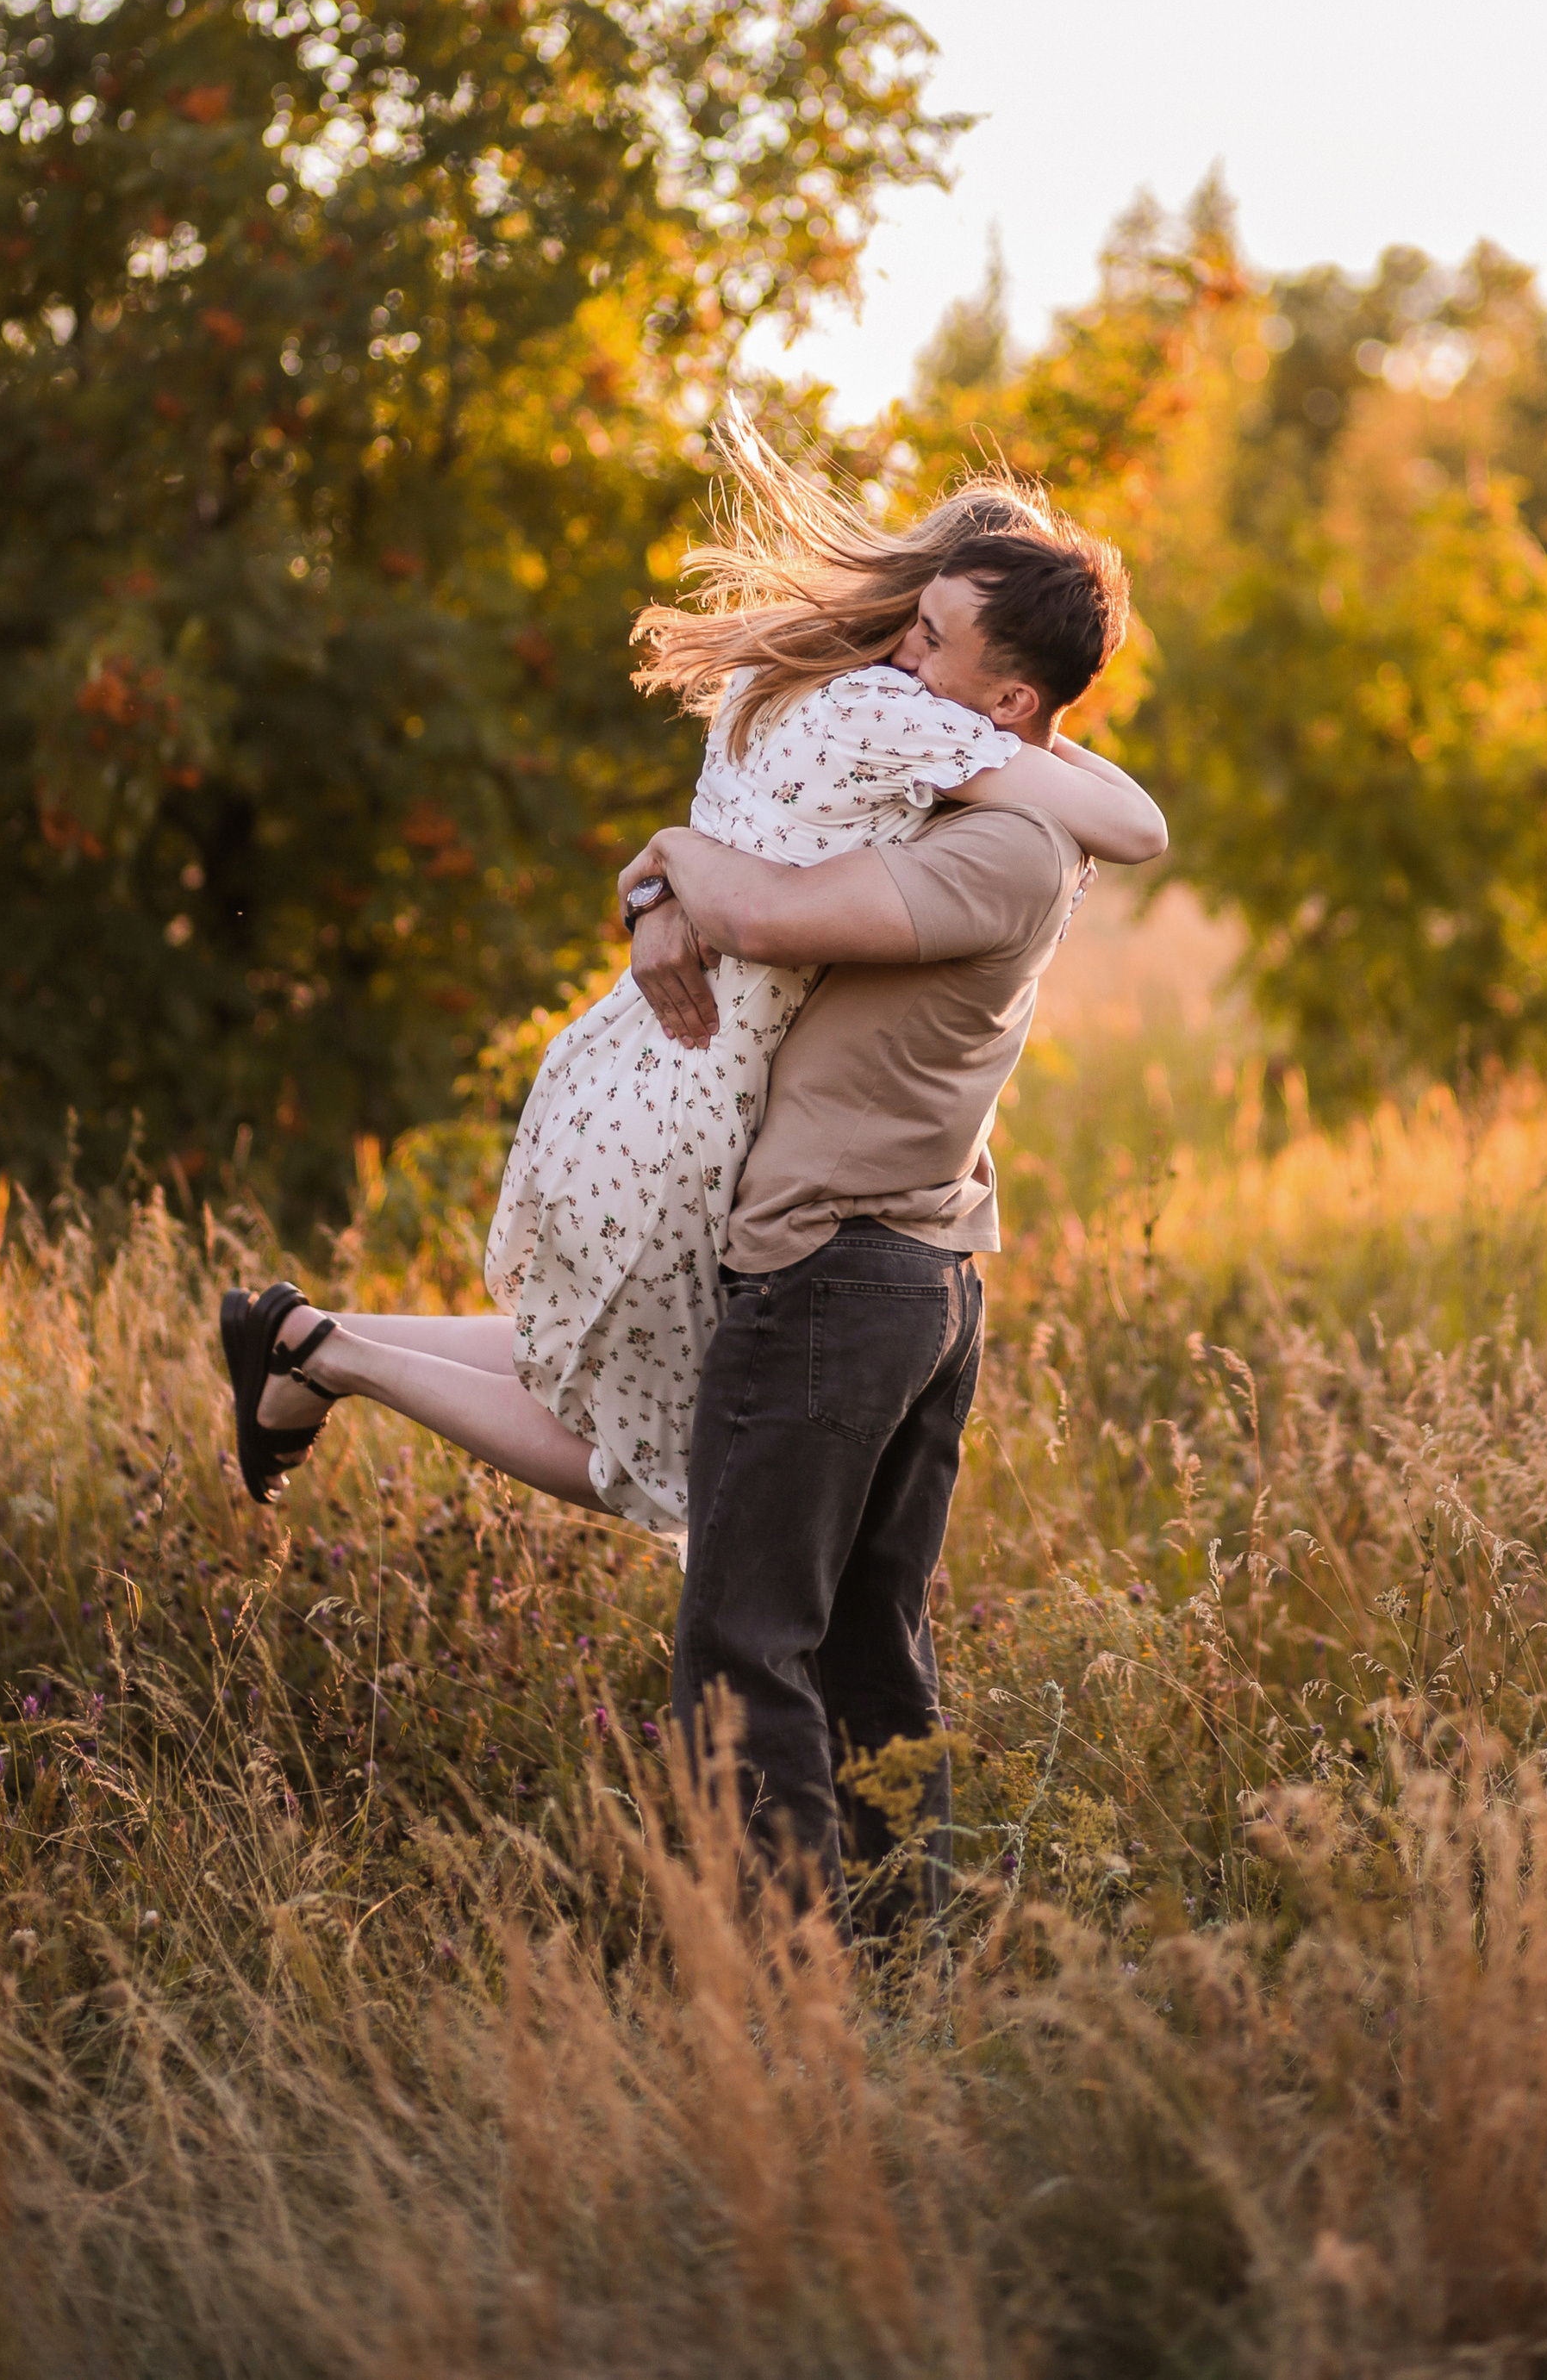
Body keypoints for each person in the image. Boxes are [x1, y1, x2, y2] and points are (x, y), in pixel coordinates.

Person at [215, 423, 1163, 1548]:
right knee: (658, 1463)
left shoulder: (792, 682)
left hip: (636, 1072)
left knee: (580, 1366)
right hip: (696, 1102)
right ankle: (330, 1353)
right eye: (926, 624)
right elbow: (1136, 823)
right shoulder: (899, 715)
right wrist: (1020, 723)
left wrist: (659, 886)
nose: (920, 647)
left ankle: (301, 1335)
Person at [618, 507, 1135, 1935]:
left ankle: (795, 2002)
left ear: (1013, 701)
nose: (900, 658)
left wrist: (667, 860)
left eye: (931, 640)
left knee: (743, 1647)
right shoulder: (966, 793)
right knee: (863, 1651)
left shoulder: (1011, 846)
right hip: (907, 1268)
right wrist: (657, 892)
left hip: (840, 1273)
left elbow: (775, 913)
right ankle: (913, 1972)